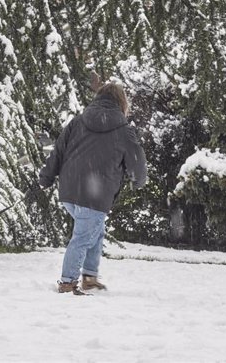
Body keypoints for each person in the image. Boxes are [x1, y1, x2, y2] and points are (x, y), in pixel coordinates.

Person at [39, 82, 147, 294]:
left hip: (69, 191)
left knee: (95, 232)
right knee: (82, 237)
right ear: (121, 102)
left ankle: (89, 276)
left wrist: (46, 178)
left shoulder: (77, 122)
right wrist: (138, 181)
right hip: (95, 194)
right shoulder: (124, 130)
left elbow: (58, 152)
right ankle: (67, 283)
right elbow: (136, 161)